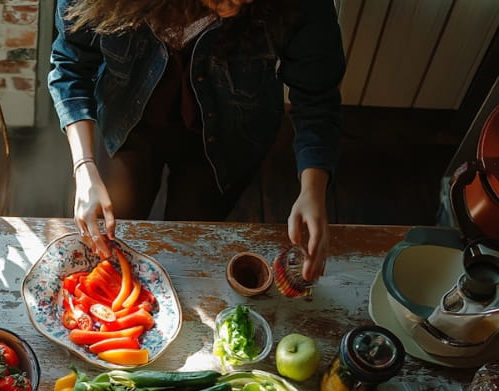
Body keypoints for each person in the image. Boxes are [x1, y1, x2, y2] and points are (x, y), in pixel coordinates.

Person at [48, 0, 345, 282]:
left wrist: (313, 190)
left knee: (187, 252)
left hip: (229, 140)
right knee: (114, 233)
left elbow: (317, 96)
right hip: (128, 126)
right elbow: (70, 65)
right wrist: (84, 167)